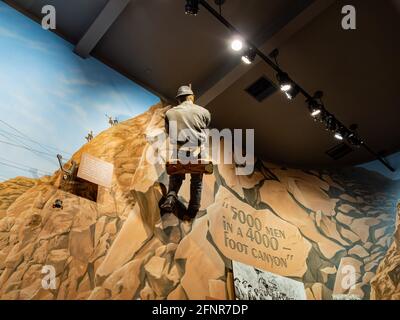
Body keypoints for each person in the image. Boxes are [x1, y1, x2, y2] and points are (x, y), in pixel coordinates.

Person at [160, 85, 211, 219]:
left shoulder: (170, 113)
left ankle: (171, 198)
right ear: (191, 97)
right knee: (197, 181)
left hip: (179, 149)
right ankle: (193, 209)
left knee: (176, 176)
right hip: (197, 150)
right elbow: (205, 125)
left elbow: (168, 131)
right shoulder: (204, 112)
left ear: (179, 99)